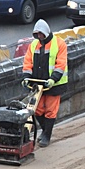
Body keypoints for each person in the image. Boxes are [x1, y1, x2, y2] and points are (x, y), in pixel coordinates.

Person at [22, 19, 68, 147]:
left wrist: (53, 78)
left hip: (55, 84)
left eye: (41, 34)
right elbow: (27, 63)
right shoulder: (33, 45)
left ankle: (47, 135)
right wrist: (26, 77)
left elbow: (61, 64)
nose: (39, 37)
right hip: (38, 84)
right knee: (38, 110)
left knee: (50, 110)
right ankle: (45, 131)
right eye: (37, 34)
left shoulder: (59, 44)